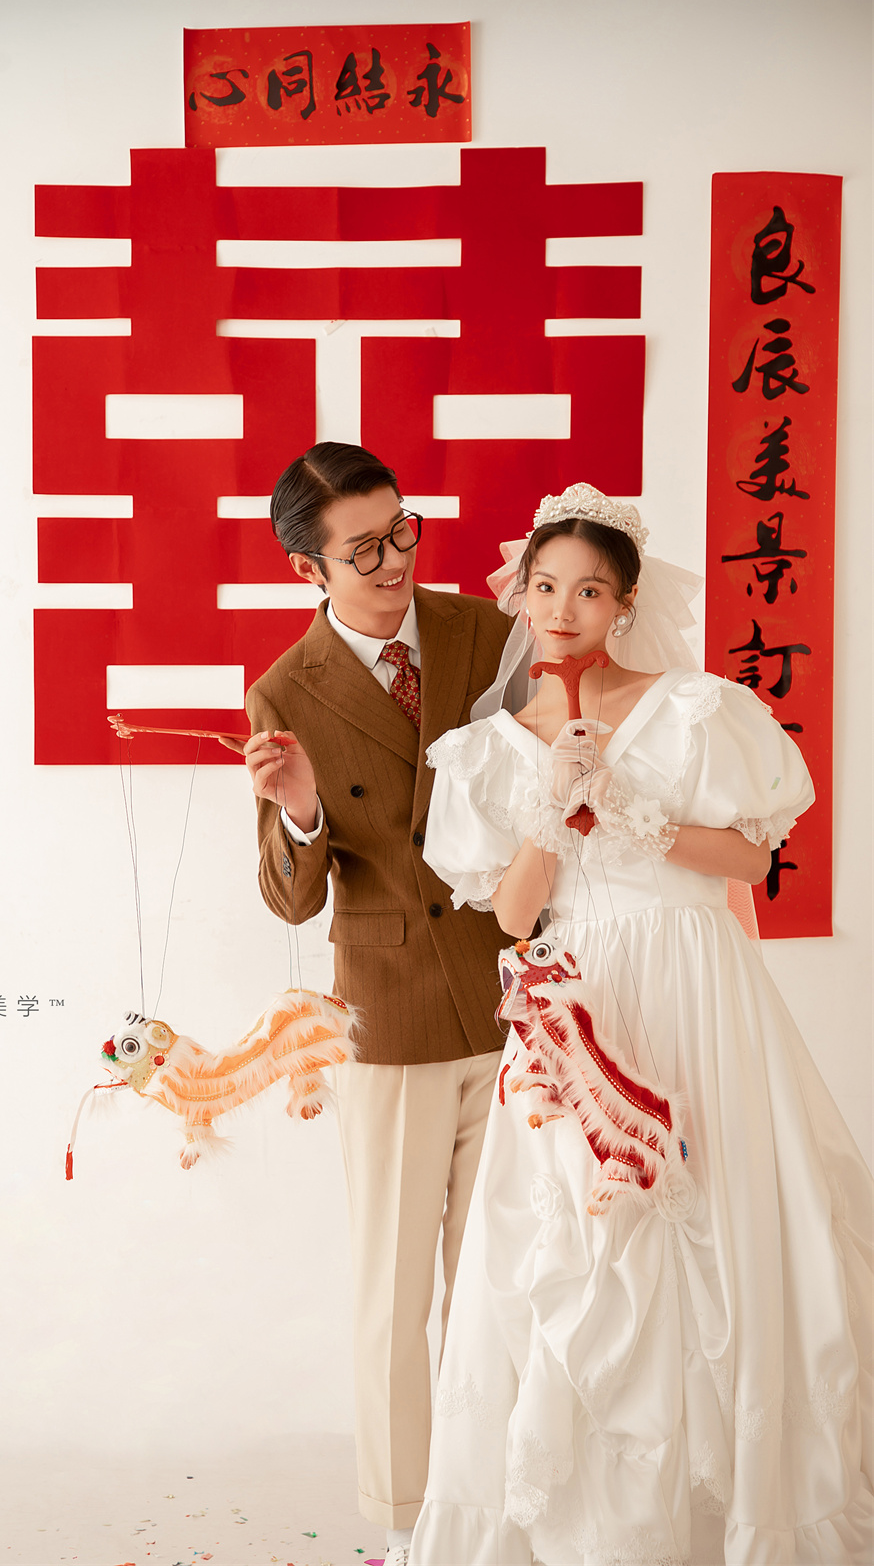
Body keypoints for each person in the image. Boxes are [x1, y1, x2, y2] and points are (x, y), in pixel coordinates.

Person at [410, 483, 873, 1565]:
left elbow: (750, 857)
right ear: (518, 597)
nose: (561, 610)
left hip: (696, 985)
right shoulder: (489, 749)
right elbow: (511, 915)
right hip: (577, 998)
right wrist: (554, 806)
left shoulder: (697, 709)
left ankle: (743, 1496)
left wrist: (629, 812)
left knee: (723, 1212)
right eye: (544, 587)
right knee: (582, 1232)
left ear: (626, 603)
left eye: (589, 591)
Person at [236, 442, 518, 1566]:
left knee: (507, 1275)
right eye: (364, 549)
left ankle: (505, 1499)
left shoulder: (485, 634)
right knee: (395, 1288)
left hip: (514, 994)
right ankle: (407, 1521)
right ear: (307, 569)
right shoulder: (284, 689)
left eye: (402, 531)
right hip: (391, 1015)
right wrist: (302, 810)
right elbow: (287, 897)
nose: (396, 559)